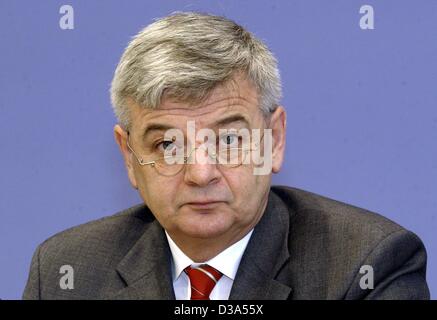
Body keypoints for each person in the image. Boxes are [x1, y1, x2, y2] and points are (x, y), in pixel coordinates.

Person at [23, 12, 429, 300]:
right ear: (129, 156)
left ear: (274, 140)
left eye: (230, 140)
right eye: (168, 145)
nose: (201, 173)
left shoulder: (367, 267)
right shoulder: (65, 271)